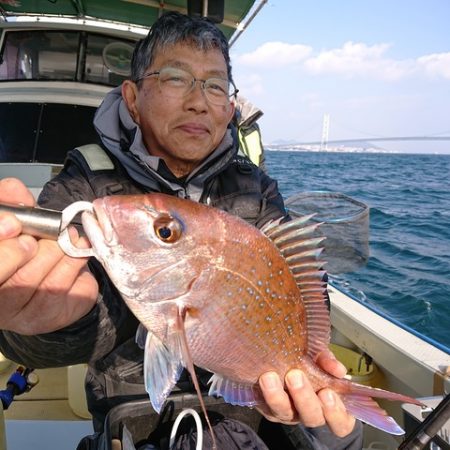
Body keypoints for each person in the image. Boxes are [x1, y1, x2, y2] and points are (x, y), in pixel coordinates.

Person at [0, 12, 362, 449]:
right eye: (176, 78)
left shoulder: (256, 187)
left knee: (337, 435)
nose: (199, 101)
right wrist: (43, 323)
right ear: (132, 98)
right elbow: (42, 337)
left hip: (247, 403)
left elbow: (299, 291)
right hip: (132, 407)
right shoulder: (85, 187)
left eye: (214, 85)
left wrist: (305, 365)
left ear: (229, 107)